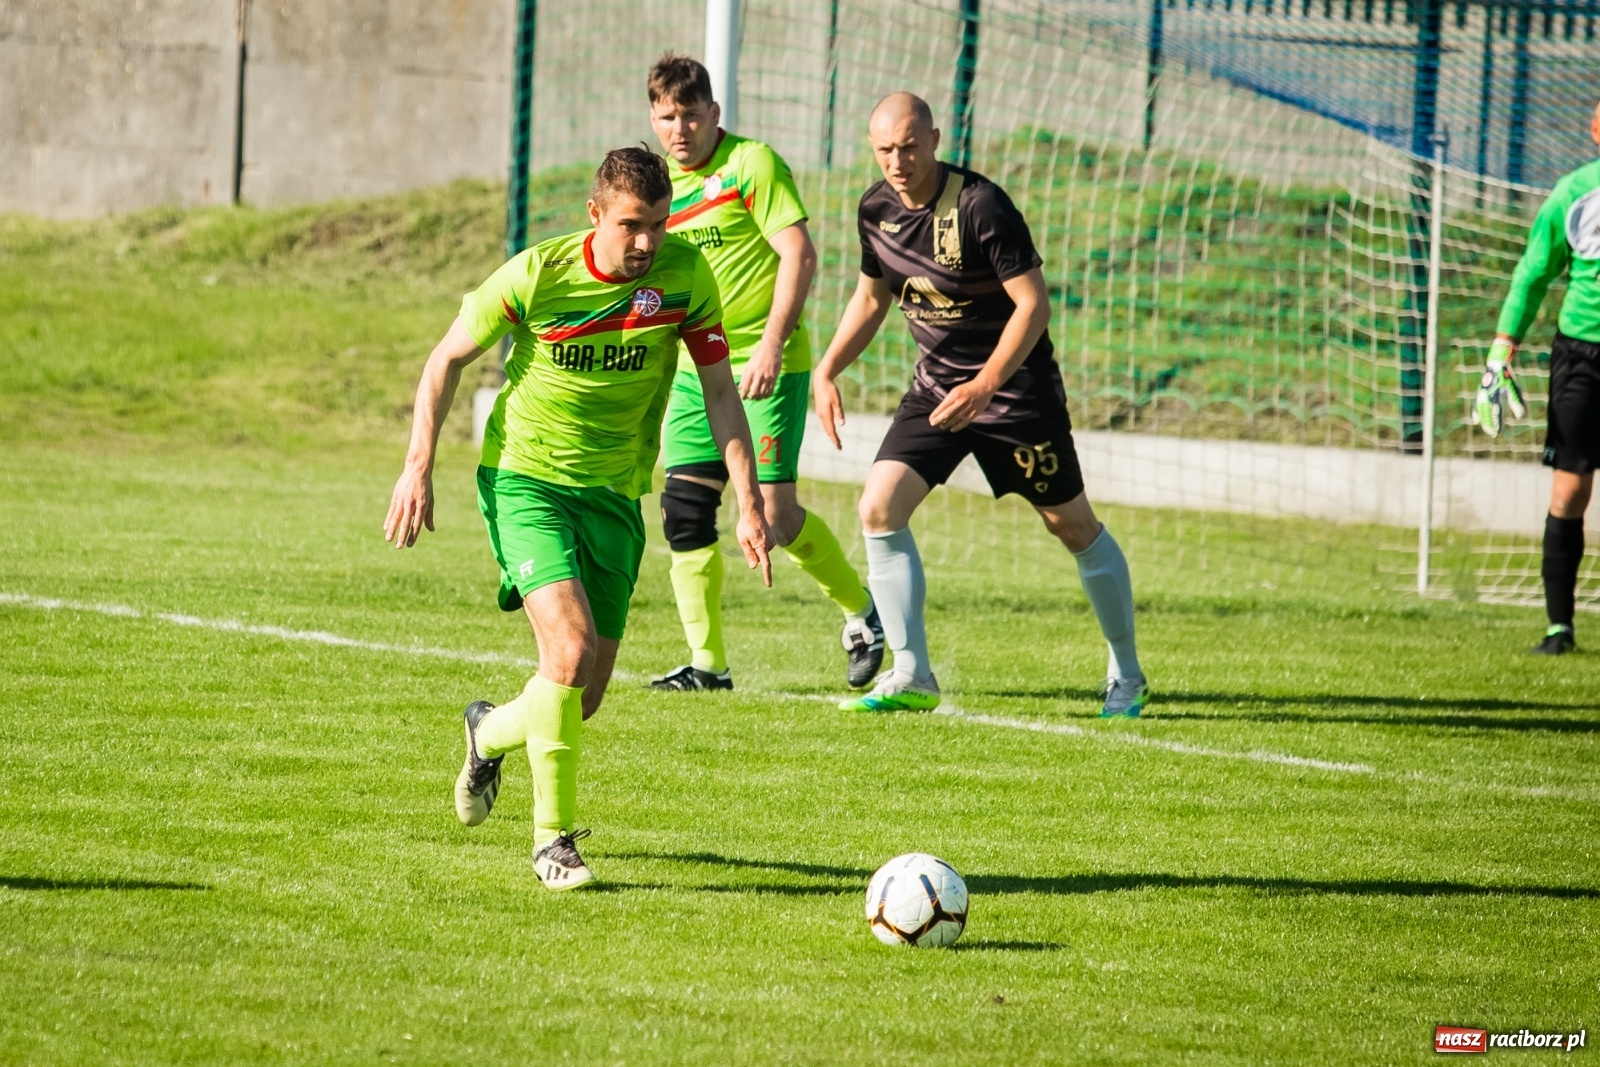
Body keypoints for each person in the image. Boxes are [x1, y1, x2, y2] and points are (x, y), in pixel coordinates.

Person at [383, 147, 774, 889]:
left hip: (616, 494)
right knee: (568, 646)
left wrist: (749, 502)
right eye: (632, 225)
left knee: (581, 696)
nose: (648, 242)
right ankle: (552, 842)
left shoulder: (686, 276)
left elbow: (723, 393)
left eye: (659, 225)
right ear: (595, 214)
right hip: (526, 479)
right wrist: (418, 464)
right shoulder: (537, 274)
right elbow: (445, 361)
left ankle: (487, 731)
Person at [812, 92, 1149, 717]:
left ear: (935, 139)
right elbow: (870, 299)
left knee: (1071, 526)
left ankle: (1126, 674)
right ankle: (912, 673)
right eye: (885, 149)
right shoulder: (874, 209)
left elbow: (1033, 304)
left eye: (909, 146)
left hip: (1014, 393)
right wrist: (827, 368)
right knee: (878, 506)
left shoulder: (980, 205)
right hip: (937, 392)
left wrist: (987, 383)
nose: (898, 161)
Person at [643, 53, 884, 693]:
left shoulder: (752, 164)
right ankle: (707, 665)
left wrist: (772, 343)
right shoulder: (657, 188)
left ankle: (862, 615)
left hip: (764, 366)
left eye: (690, 116)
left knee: (775, 517)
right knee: (685, 509)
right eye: (666, 117)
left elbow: (798, 254)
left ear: (714, 114)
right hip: (698, 371)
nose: (679, 130)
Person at [1476, 100, 1600, 655]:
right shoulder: (1573, 193)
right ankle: (1559, 628)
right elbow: (1532, 275)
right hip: (1582, 356)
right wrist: (1499, 353)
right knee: (1570, 487)